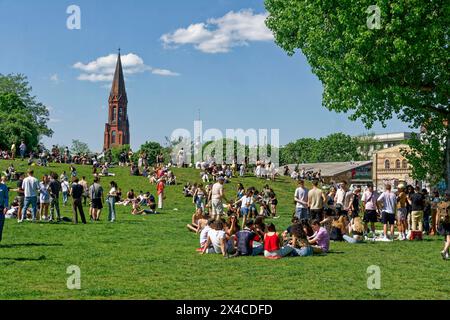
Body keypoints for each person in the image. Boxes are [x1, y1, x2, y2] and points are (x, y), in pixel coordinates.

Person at [436, 192, 450, 260]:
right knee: (449, 239)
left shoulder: (441, 203)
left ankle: (447, 254)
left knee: (445, 238)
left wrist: (436, 223)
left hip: (442, 222)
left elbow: (437, 214)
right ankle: (444, 251)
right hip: (449, 222)